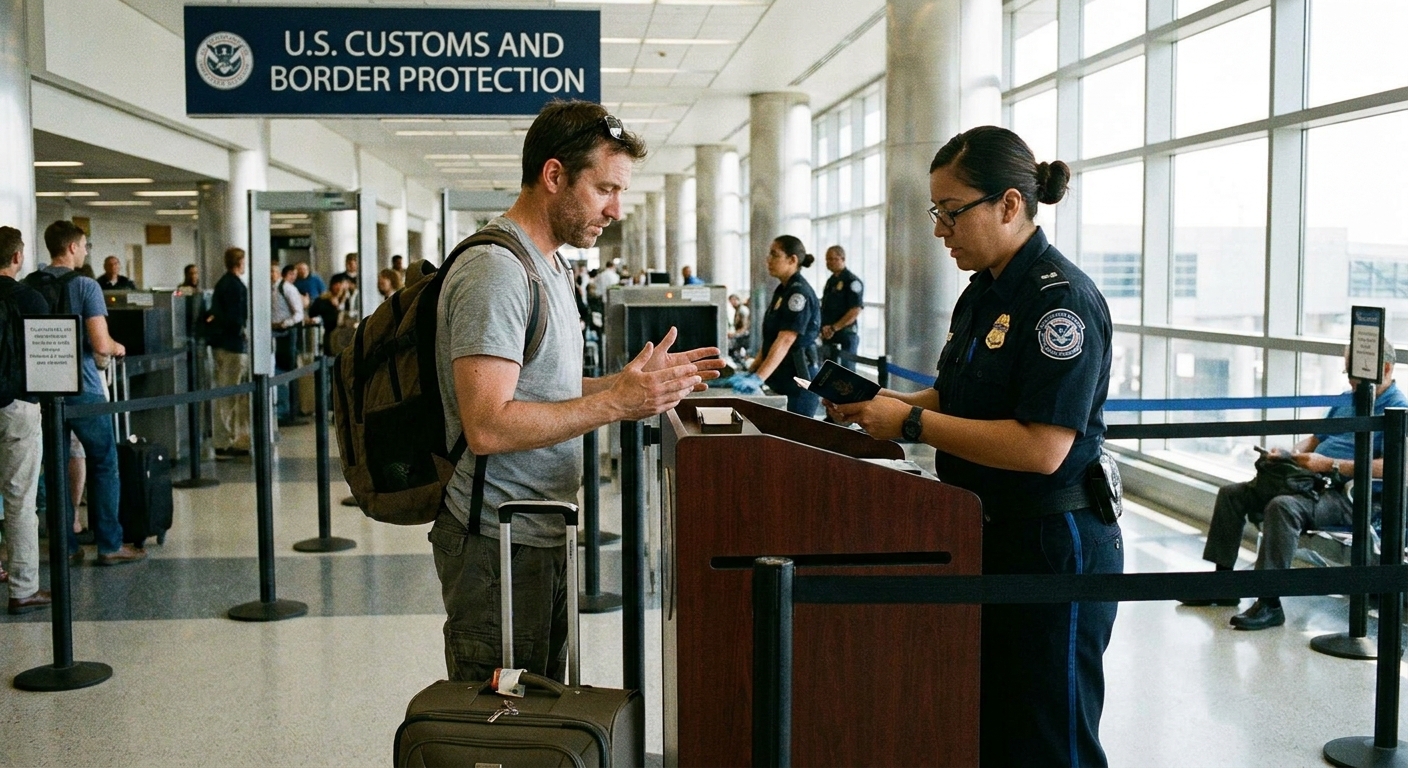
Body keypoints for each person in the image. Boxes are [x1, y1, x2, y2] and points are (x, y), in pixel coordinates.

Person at [829, 126, 1120, 768]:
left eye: (951, 212)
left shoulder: (1058, 303)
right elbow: (961, 398)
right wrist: (887, 406)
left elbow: (1043, 446)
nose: (940, 229)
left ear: (1010, 205)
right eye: (936, 212)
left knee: (1052, 734)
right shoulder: (984, 293)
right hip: (988, 528)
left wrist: (908, 425)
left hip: (1054, 539)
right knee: (996, 724)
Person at [431, 99, 724, 684]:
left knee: (540, 711)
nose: (617, 209)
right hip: (498, 541)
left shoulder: (550, 266)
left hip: (536, 530)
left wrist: (623, 385)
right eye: (605, 189)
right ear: (554, 175)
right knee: (502, 726)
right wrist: (616, 403)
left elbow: (542, 388)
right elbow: (488, 424)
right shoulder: (498, 271)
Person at [1181, 340, 1408, 630]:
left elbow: (1395, 467)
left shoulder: (1398, 409)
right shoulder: (1346, 401)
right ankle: (1223, 584)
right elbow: (1313, 441)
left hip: (1349, 496)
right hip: (1310, 481)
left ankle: (1270, 602)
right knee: (1233, 494)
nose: (1350, 380)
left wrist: (1329, 465)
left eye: (1355, 373)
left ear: (1386, 369)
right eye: (1348, 371)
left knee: (1282, 508)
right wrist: (1290, 456)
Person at [35, 221, 145, 565]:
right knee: (103, 462)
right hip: (84, 388)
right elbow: (99, 342)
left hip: (43, 387)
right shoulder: (85, 286)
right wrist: (118, 346)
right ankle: (110, 544)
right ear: (71, 248)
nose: (85, 252)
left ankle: (65, 546)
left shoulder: (29, 285)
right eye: (84, 246)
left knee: (54, 466)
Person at [0, 227, 53, 613]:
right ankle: (23, 588)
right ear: (17, 258)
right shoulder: (32, 299)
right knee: (20, 500)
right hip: (18, 405)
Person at [741, 236, 821, 416]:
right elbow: (771, 338)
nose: (768, 259)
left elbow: (785, 340)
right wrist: (752, 370)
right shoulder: (783, 290)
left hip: (798, 382)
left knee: (794, 440)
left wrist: (758, 378)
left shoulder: (798, 293)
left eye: (775, 255)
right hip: (782, 378)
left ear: (792, 260)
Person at [209, 247, 250, 459]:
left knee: (231, 395)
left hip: (226, 345)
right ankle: (223, 442)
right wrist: (241, 332)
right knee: (228, 395)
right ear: (239, 263)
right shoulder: (234, 287)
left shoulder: (224, 284)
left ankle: (232, 438)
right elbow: (236, 318)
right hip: (232, 346)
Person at [270, 263, 305, 426]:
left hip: (286, 333)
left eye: (273, 271)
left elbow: (299, 314)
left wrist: (285, 323)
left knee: (287, 371)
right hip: (275, 333)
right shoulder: (270, 289)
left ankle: (289, 411)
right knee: (277, 370)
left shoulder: (288, 288)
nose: (271, 274)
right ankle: (282, 410)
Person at [820, 245, 864, 371]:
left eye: (832, 259)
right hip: (829, 334)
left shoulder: (852, 281)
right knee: (828, 372)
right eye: (827, 259)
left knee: (847, 372)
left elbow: (855, 310)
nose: (829, 263)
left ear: (842, 259)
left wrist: (834, 328)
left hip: (846, 334)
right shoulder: (831, 281)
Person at [308, 275, 351, 356]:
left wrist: (338, 307)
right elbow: (313, 313)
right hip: (329, 333)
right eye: (336, 285)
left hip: (344, 334)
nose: (338, 288)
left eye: (340, 285)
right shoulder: (323, 299)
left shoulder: (346, 300)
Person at [727, 293, 750, 365]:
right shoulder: (738, 310)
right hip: (741, 334)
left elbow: (745, 326)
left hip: (744, 335)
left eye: (733, 300)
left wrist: (734, 334)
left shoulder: (742, 310)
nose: (732, 303)